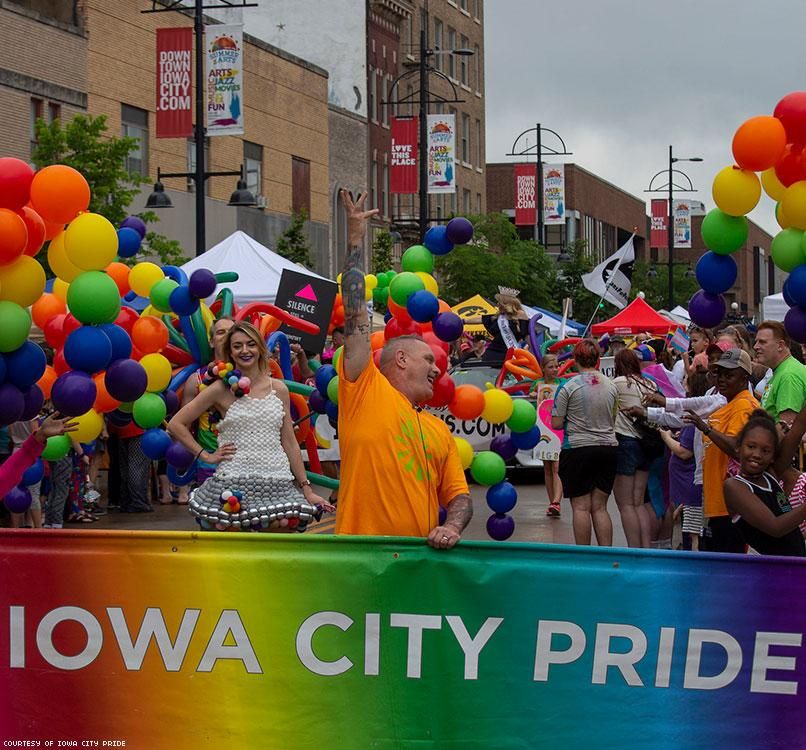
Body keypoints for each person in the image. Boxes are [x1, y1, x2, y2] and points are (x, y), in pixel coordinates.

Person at [335, 189, 472, 549]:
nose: (437, 370)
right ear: (400, 359)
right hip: (356, 561)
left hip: (415, 568)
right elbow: (354, 314)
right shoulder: (363, 390)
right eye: (429, 360)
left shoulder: (437, 431)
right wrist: (354, 241)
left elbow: (459, 497)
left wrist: (453, 527)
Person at [168, 321, 331, 532]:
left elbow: (289, 442)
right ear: (230, 352)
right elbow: (176, 424)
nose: (245, 350)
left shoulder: (279, 389)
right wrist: (206, 455)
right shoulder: (220, 388)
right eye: (237, 346)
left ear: (260, 349)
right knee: (232, 551)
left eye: (251, 344)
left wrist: (306, 489)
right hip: (233, 485)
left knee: (278, 538)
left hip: (277, 483)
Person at [683, 348, 758, 552]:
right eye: (719, 374)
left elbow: (736, 448)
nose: (722, 379)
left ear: (744, 377)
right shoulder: (729, 403)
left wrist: (706, 428)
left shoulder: (743, 405)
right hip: (718, 501)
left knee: (727, 566)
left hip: (730, 505)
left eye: (729, 374)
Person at [551, 339, 618, 546]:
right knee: (600, 507)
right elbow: (613, 418)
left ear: (575, 359)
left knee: (580, 507)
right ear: (598, 359)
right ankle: (607, 555)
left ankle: (584, 556)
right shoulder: (611, 386)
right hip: (607, 448)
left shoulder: (568, 387)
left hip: (578, 449)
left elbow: (556, 422)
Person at [723, 410, 806, 556]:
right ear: (738, 448)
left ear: (773, 456)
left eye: (765, 450)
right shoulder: (734, 486)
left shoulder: (770, 476)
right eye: (751, 446)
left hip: (794, 564)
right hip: (767, 569)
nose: (757, 454)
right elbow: (776, 527)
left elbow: (799, 425)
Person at [176, 316, 236, 504]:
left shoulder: (252, 376)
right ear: (211, 341)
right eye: (220, 332)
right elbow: (180, 426)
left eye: (230, 332)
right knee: (211, 521)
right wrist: (204, 455)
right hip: (210, 462)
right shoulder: (197, 379)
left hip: (247, 460)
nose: (226, 336)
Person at [612, 348, 659, 548]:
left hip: (625, 442)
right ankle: (646, 547)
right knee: (639, 502)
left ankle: (633, 549)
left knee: (625, 504)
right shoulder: (650, 384)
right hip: (647, 444)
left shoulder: (617, 384)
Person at [753, 320, 806, 430]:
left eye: (762, 342)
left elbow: (787, 429)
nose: (755, 346)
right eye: (756, 342)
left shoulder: (789, 375)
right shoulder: (781, 371)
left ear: (780, 345)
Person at [531, 352, 563, 517]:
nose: (555, 370)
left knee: (557, 466)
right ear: (543, 369)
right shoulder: (537, 384)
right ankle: (552, 503)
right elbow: (531, 403)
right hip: (543, 429)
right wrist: (533, 395)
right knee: (548, 467)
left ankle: (556, 501)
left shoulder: (562, 383)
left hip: (558, 428)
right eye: (550, 367)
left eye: (556, 366)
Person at [465, 288, 530, 365]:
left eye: (499, 302)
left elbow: (527, 336)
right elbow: (481, 319)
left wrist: (535, 351)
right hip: (492, 354)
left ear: (505, 303)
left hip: (511, 354)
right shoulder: (498, 317)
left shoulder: (520, 315)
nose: (497, 304)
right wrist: (463, 321)